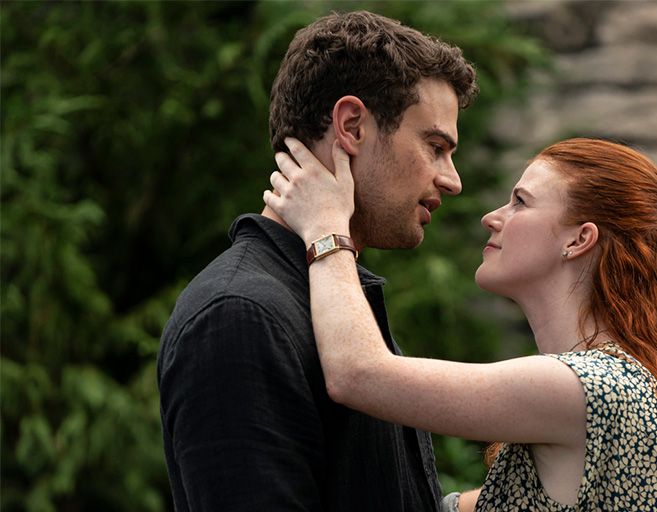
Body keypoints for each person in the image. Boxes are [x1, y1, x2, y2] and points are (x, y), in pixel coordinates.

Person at [265, 136, 657, 511]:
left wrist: (326, 227)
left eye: (520, 202)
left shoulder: (591, 386)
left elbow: (357, 374)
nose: (492, 217)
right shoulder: (610, 386)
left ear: (579, 239)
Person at [157, 11, 478, 511]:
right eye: (435, 146)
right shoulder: (239, 314)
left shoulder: (333, 295)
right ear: (351, 127)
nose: (451, 179)